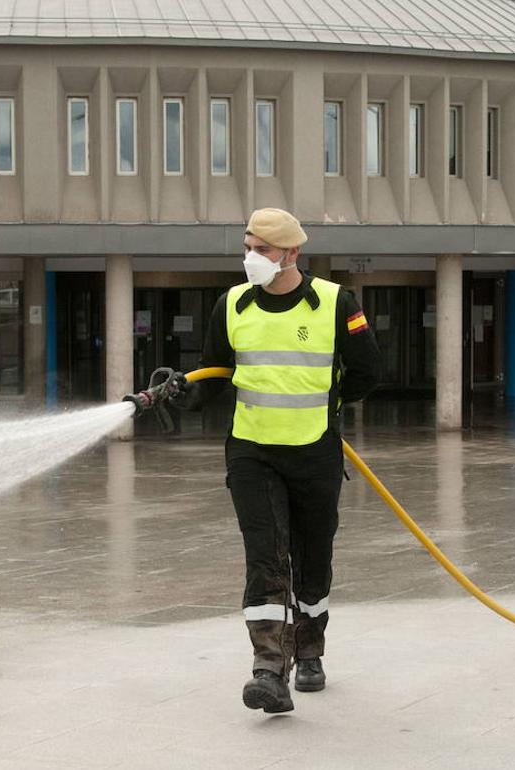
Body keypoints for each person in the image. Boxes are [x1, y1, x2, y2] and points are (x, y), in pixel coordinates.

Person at [173, 208, 380, 713]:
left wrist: (327, 404)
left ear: (291, 254)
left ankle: (309, 651)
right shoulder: (232, 304)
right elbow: (216, 374)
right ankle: (268, 668)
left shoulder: (335, 302)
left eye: (262, 249)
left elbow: (367, 370)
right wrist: (182, 395)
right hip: (252, 452)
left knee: (313, 557)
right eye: (247, 247)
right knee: (265, 557)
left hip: (314, 453)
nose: (251, 259)